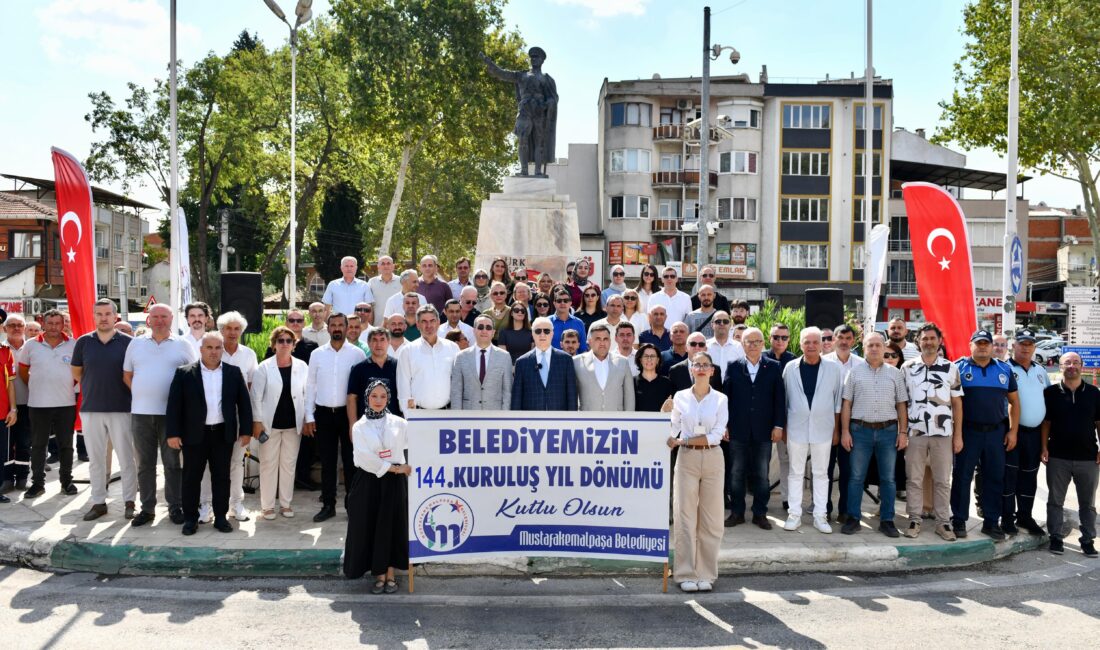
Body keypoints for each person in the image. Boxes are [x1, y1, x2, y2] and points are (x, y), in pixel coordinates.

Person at [165, 332, 253, 535]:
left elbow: (244, 404)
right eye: (209, 348)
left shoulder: (233, 372)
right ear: (201, 349)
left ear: (222, 349)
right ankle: (190, 519)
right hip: (194, 434)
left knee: (222, 477)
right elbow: (174, 406)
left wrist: (246, 431)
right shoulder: (184, 373)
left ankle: (221, 517)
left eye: (217, 348)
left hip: (222, 434)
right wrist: (173, 433)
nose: (213, 352)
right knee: (191, 478)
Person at [123, 304, 198, 526]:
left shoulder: (183, 344)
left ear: (172, 318)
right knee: (145, 464)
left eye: (164, 316)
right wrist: (142, 393)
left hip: (172, 416)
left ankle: (175, 507)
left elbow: (193, 378)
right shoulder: (135, 344)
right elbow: (127, 376)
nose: (159, 320)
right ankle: (147, 509)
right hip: (141, 414)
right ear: (148, 319)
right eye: (155, 316)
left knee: (172, 463)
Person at [951, 330, 1020, 541]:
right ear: (970, 345)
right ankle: (959, 520)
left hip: (996, 433)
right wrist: (956, 434)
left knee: (994, 478)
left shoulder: (1004, 369)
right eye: (978, 343)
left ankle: (991, 522)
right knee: (962, 477)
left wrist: (1013, 431)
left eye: (986, 344)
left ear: (991, 347)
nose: (982, 347)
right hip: (968, 432)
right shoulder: (957, 368)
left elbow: (1014, 402)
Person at [669, 351, 729, 593]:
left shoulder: (721, 399)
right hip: (687, 460)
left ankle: (706, 573)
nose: (702, 368)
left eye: (706, 365)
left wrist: (685, 440)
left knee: (712, 518)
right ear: (691, 369)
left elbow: (717, 433)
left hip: (713, 457)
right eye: (697, 365)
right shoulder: (680, 397)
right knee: (684, 516)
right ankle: (685, 572)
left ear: (712, 370)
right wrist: (666, 417)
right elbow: (673, 429)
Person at [71, 299, 135, 521]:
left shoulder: (128, 342)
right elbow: (77, 372)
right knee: (96, 460)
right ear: (94, 316)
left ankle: (129, 501)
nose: (104, 317)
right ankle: (98, 502)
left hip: (122, 408)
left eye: (108, 313)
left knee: (127, 458)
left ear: (115, 316)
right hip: (91, 409)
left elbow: (133, 374)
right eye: (99, 314)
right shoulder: (83, 342)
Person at [839, 333, 909, 537]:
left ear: (884, 347)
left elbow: (901, 405)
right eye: (871, 345)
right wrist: (844, 431)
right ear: (864, 347)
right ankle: (853, 518)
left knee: (888, 479)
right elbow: (846, 404)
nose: (875, 349)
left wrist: (903, 432)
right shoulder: (854, 372)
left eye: (879, 345)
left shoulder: (895, 374)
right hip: (860, 431)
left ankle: (887, 520)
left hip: (888, 432)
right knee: (856, 477)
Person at [344, 380, 411, 592]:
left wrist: (405, 468)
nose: (379, 401)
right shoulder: (359, 426)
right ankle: (378, 574)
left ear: (389, 398)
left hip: (394, 484)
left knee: (392, 526)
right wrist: (395, 468)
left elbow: (412, 446)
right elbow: (365, 458)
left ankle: (390, 573)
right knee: (372, 525)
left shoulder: (400, 423)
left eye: (383, 396)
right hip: (369, 482)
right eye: (374, 396)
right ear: (367, 398)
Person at [901, 323, 963, 541]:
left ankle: (943, 522)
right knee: (914, 478)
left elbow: (957, 404)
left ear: (939, 341)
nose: (928, 342)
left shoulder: (951, 368)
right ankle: (914, 519)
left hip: (943, 432)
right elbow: (902, 403)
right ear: (918, 341)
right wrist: (902, 432)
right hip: (915, 432)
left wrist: (958, 435)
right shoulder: (907, 368)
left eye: (932, 338)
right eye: (924, 338)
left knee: (942, 480)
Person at [305, 313, 367, 522]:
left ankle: (352, 506)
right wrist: (308, 415)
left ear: (348, 327)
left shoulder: (357, 354)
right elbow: (310, 385)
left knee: (351, 463)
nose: (338, 328)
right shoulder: (317, 354)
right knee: (328, 462)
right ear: (328, 328)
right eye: (334, 325)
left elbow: (361, 388)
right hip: (323, 414)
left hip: (348, 415)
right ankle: (328, 505)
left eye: (341, 325)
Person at [782, 327, 844, 534]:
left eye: (815, 342)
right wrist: (784, 428)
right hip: (796, 428)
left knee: (821, 473)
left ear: (822, 344)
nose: (811, 346)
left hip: (824, 428)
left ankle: (820, 516)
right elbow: (785, 400)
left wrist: (836, 430)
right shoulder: (790, 368)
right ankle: (794, 514)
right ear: (800, 344)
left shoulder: (834, 369)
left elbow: (837, 403)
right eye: (806, 342)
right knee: (795, 472)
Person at [723, 327, 786, 529]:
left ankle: (760, 513)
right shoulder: (733, 367)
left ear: (763, 344)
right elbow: (726, 399)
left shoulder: (774, 367)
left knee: (761, 473)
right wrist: (724, 424)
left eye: (757, 341)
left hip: (763, 430)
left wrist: (778, 425)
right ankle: (737, 512)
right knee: (736, 473)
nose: (753, 345)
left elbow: (779, 400)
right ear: (742, 344)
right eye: (748, 341)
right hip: (738, 430)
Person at [1041, 352, 1100, 558]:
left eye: (1076, 362)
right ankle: (1055, 538)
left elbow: (1099, 423)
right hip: (1058, 456)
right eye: (1067, 362)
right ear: (1060, 367)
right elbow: (1046, 423)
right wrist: (1044, 447)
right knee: (1055, 501)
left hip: (1088, 458)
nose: (1072, 366)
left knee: (1088, 504)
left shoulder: (1094, 393)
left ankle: (1087, 540)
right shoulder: (1050, 393)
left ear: (1081, 366)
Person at [19, 310, 78, 499]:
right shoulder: (30, 345)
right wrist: (38, 386)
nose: (53, 327)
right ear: (43, 324)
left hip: (66, 403)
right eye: (50, 323)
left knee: (66, 446)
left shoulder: (73, 344)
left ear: (63, 324)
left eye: (57, 323)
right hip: (38, 404)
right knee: (38, 445)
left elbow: (78, 373)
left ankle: (66, 482)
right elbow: (23, 372)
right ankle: (37, 484)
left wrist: (65, 385)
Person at [206, 311, 259, 523]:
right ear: (221, 330)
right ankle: (207, 505)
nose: (233, 332)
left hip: (237, 417)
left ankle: (236, 504)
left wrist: (249, 422)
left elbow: (251, 387)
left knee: (236, 462)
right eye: (228, 328)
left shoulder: (248, 355)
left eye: (237, 328)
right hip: (212, 418)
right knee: (211, 464)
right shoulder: (213, 351)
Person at [250, 326, 307, 520]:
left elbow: (306, 395)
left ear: (294, 344)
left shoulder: (302, 366)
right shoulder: (264, 367)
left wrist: (308, 418)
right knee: (268, 465)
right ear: (274, 344)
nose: (284, 344)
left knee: (288, 466)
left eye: (288, 341)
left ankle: (285, 504)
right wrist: (257, 422)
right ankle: (267, 506)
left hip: (293, 425)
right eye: (280, 340)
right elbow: (256, 397)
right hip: (269, 425)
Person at [1004, 329, 1051, 536]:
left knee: (1029, 478)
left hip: (1034, 435)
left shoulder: (1041, 371)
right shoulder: (1004, 368)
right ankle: (1006, 518)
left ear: (1034, 347)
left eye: (1030, 344)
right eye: (1021, 343)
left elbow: (1047, 403)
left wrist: (1044, 443)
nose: (1025, 347)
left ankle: (1025, 516)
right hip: (1011, 433)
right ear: (1013, 345)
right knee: (1009, 476)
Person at [824, 323, 865, 522]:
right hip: (826, 423)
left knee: (849, 471)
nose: (844, 342)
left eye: (848, 338)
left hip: (852, 425)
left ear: (853, 341)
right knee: (825, 469)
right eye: (840, 337)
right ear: (834, 340)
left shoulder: (861, 364)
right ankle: (824, 509)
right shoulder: (823, 362)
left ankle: (845, 511)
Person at [396, 305, 459, 413]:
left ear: (438, 322)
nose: (428, 325)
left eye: (432, 321)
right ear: (417, 325)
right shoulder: (407, 351)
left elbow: (457, 381)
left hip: (447, 413)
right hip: (419, 415)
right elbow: (403, 385)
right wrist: (408, 414)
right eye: (424, 321)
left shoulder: (453, 348)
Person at [512, 317, 577, 411]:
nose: (542, 334)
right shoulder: (521, 362)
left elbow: (571, 394)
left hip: (560, 420)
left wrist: (572, 420)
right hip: (530, 421)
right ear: (532, 334)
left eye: (546, 331)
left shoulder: (566, 360)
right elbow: (517, 397)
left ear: (552, 334)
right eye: (538, 331)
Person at [451, 316, 513, 410]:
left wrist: (504, 418)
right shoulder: (461, 357)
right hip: (469, 415)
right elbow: (456, 391)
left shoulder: (504, 357)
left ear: (493, 332)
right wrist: (457, 418)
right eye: (480, 327)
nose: (484, 331)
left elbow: (507, 391)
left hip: (495, 415)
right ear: (474, 331)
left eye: (488, 328)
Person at [574, 324, 634, 411]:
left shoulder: (623, 362)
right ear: (590, 342)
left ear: (610, 341)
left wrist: (628, 420)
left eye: (605, 339)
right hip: (587, 421)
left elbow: (629, 396)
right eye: (598, 339)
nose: (602, 343)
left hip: (616, 421)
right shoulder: (576, 362)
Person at [348, 326, 402, 421]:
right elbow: (352, 398)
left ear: (389, 342)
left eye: (382, 340)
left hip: (393, 424)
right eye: (374, 340)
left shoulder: (399, 367)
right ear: (368, 343)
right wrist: (352, 424)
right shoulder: (358, 368)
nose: (378, 344)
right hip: (366, 425)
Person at [2, 315, 29, 492]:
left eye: (20, 325)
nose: (16, 328)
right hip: (6, 405)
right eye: (11, 325)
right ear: (5, 329)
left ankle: (22, 476)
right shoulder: (3, 349)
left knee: (24, 441)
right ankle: (6, 478)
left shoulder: (33, 346)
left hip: (28, 402)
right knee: (6, 444)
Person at [634, 343, 674, 412]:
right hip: (637, 422)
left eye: (652, 356)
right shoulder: (632, 382)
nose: (649, 359)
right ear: (640, 360)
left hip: (661, 422)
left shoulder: (666, 383)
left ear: (658, 360)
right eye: (646, 356)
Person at [706, 311, 744, 378]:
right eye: (718, 321)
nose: (722, 324)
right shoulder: (704, 346)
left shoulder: (739, 347)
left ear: (730, 324)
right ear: (712, 325)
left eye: (725, 321)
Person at [368, 255, 401, 327]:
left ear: (393, 266)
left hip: (398, 326)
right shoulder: (372, 282)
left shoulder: (401, 281)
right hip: (377, 326)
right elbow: (369, 305)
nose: (386, 266)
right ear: (378, 267)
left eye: (388, 263)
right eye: (383, 264)